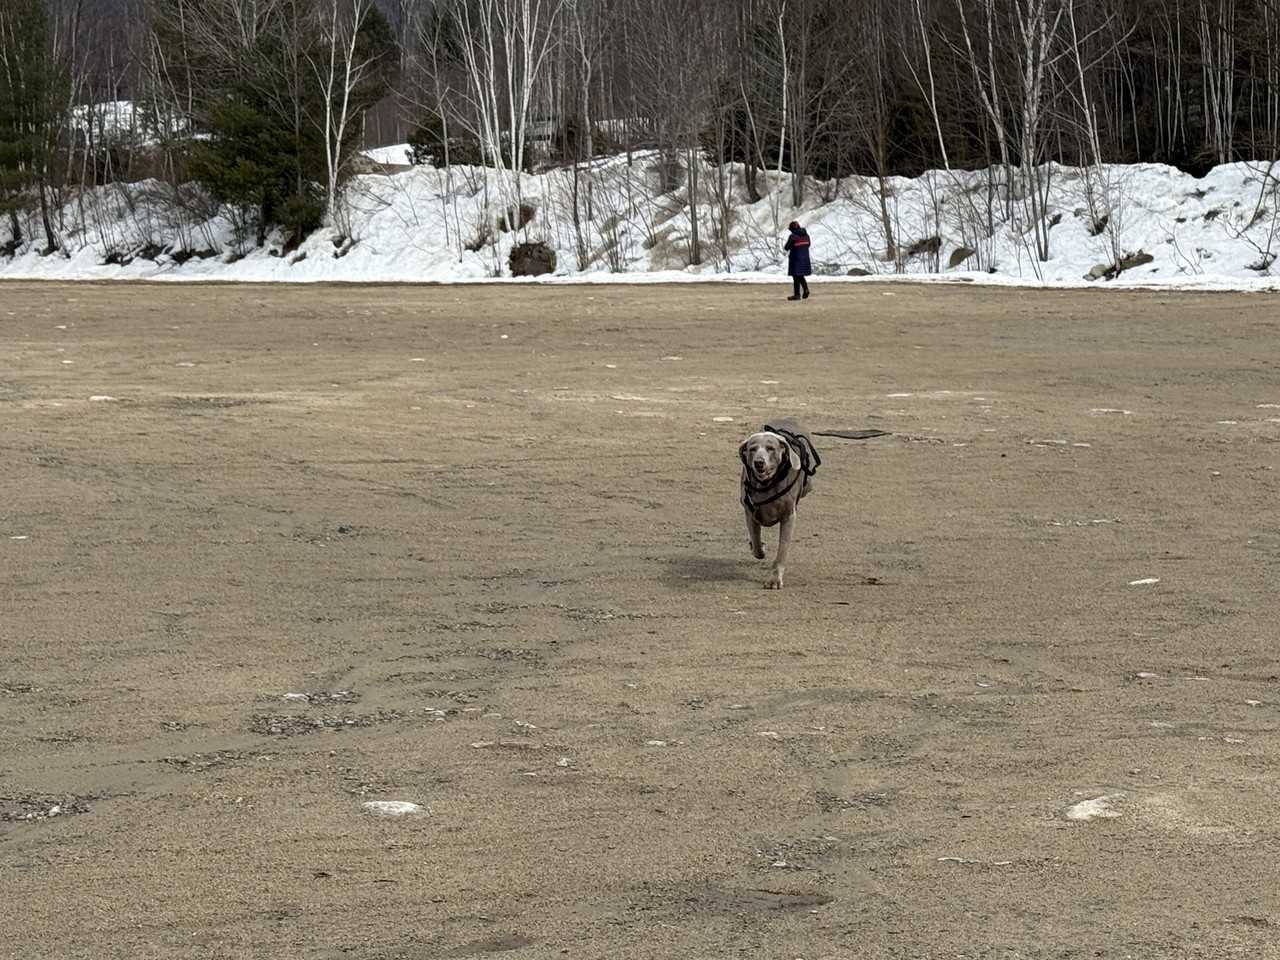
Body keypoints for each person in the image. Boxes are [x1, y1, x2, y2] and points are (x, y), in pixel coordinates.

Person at [783, 221, 811, 301]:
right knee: (800, 275)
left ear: (792, 229)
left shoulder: (793, 236)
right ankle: (805, 289)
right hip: (805, 258)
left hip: (795, 258)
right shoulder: (806, 235)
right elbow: (808, 244)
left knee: (796, 276)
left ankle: (797, 295)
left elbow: (786, 247)